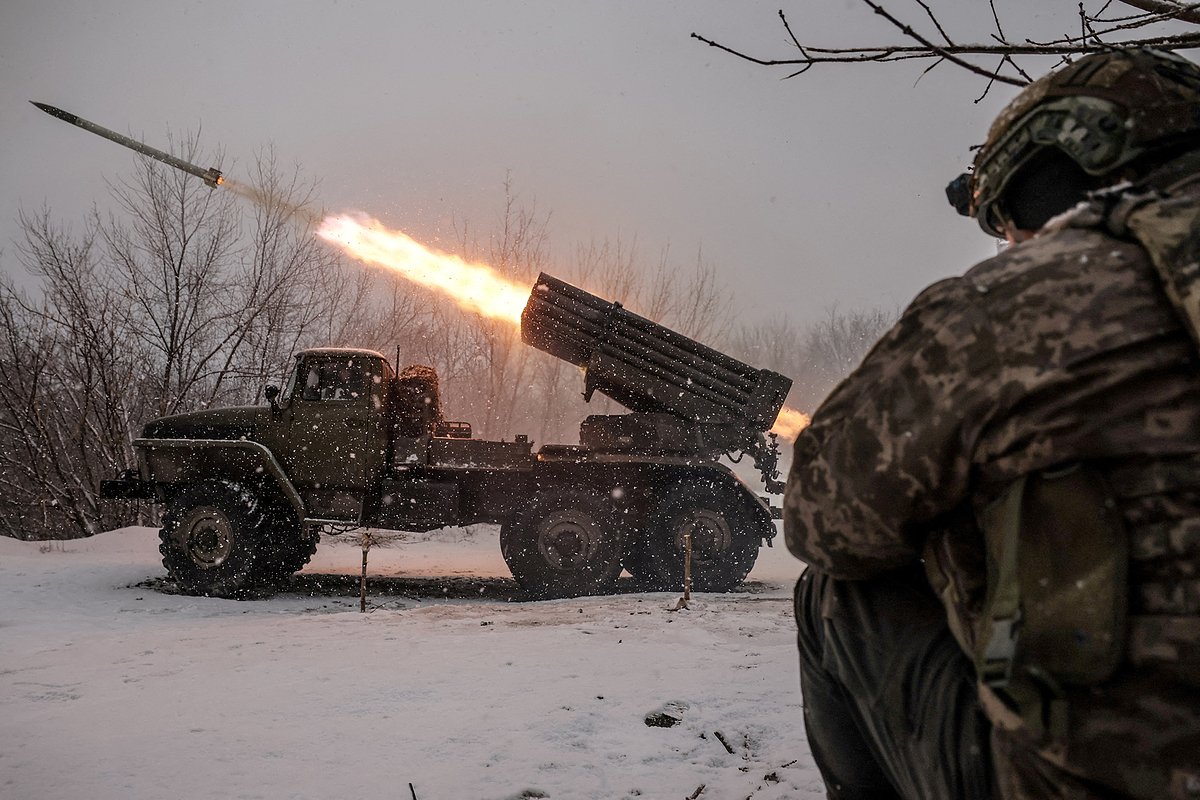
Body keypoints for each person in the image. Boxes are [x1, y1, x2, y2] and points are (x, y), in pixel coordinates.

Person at [784, 48, 1200, 800]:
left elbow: (824, 517)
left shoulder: (1017, 307)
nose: (1007, 246)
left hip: (1097, 781)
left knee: (836, 592)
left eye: (1005, 223)